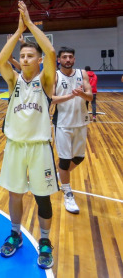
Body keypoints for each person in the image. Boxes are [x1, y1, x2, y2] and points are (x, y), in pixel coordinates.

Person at [0, 1, 58, 269]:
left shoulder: (45, 81)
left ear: (39, 60)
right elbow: (0, 59)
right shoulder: (13, 81)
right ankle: (16, 234)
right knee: (15, 194)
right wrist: (17, 28)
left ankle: (45, 241)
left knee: (42, 196)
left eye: (30, 56)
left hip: (39, 147)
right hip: (15, 146)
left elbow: (52, 51)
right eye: (22, 56)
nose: (25, 59)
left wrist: (30, 24)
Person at [52, 47, 92, 214]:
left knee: (79, 157)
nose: (67, 59)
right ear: (59, 60)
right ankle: (68, 193)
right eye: (64, 57)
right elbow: (51, 99)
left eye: (70, 57)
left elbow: (90, 96)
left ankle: (59, 176)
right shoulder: (55, 75)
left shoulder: (82, 74)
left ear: (74, 59)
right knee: (65, 159)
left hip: (81, 122)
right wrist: (70, 96)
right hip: (62, 123)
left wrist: (81, 95)